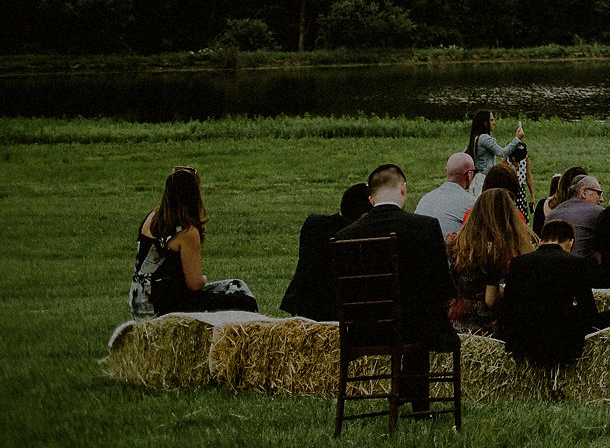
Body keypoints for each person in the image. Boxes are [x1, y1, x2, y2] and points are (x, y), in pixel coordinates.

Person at [337, 164, 459, 409]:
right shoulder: (424, 227)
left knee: (418, 320)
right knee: (424, 321)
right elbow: (443, 287)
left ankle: (409, 392)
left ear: (372, 200)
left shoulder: (346, 235)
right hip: (414, 329)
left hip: (363, 330)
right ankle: (416, 400)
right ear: (403, 188)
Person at [131, 167, 259, 316]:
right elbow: (194, 284)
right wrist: (203, 279)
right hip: (164, 307)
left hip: (139, 302)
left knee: (236, 285)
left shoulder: (153, 217)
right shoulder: (187, 232)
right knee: (243, 300)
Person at [498, 219, 610, 368]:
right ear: (570, 242)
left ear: (541, 241)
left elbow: (508, 305)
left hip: (522, 339)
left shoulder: (518, 262)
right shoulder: (576, 263)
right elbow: (589, 312)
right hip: (560, 341)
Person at [280, 182, 374, 322]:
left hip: (302, 307)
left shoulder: (314, 225)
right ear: (364, 215)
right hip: (334, 313)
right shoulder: (351, 236)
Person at [448, 188, 534, 335]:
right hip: (487, 329)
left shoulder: (454, 243)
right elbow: (490, 300)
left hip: (455, 323)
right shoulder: (496, 250)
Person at [414, 153, 477, 240]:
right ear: (469, 175)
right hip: (448, 251)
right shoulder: (472, 203)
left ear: (445, 171)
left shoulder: (425, 199)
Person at [550, 172, 606, 258]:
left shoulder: (553, 214)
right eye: (598, 193)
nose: (601, 199)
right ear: (583, 192)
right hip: (583, 267)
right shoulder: (599, 213)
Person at [465, 110, 523, 191]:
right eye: (491, 120)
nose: (494, 123)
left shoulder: (475, 138)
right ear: (484, 123)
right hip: (485, 178)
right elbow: (502, 153)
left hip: (477, 179)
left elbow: (465, 154)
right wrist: (517, 139)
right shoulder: (484, 138)